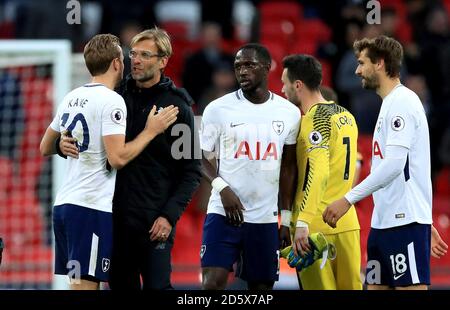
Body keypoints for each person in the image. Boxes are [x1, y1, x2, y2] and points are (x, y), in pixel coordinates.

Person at [40, 34, 178, 290]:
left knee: (80, 285)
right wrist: (151, 130)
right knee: (84, 287)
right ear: (116, 63)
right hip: (89, 208)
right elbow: (117, 158)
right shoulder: (112, 100)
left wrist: (60, 145)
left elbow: (45, 146)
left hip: (65, 206)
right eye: (125, 58)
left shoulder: (72, 96)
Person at [323, 35, 448, 290]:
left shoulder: (402, 102)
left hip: (403, 222)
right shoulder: (389, 104)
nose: (357, 70)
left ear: (379, 63)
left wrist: (348, 199)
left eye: (361, 63)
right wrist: (424, 219)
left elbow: (394, 165)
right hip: (384, 223)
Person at [199, 43, 301, 290]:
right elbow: (198, 156)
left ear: (267, 68)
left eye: (249, 65)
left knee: (262, 290)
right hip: (223, 213)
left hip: (265, 218)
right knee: (212, 284)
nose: (242, 71)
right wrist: (222, 188)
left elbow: (288, 169)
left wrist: (285, 220)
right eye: (238, 66)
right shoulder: (217, 108)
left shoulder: (289, 113)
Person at [281, 54, 362, 290]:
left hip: (316, 226)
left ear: (298, 85)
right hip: (347, 223)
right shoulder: (346, 116)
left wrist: (303, 221)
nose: (282, 89)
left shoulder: (313, 120)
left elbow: (318, 172)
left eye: (285, 82)